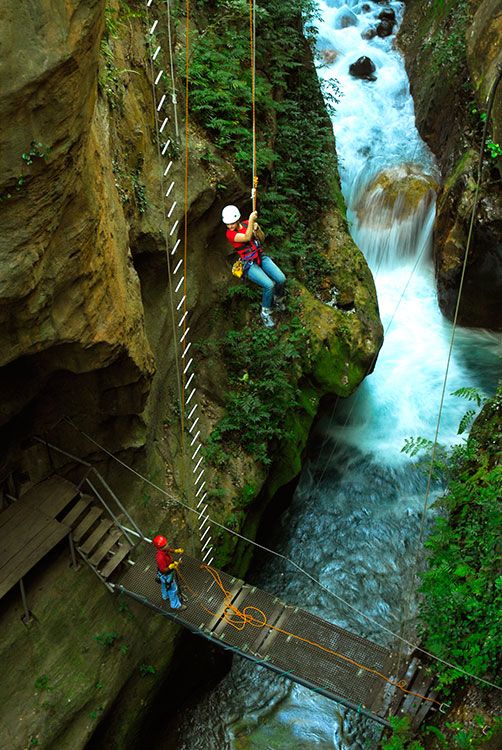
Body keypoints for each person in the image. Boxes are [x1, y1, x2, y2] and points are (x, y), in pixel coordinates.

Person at [222, 205, 286, 328]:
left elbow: (262, 239)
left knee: (281, 279)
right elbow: (246, 237)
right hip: (248, 263)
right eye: (228, 224)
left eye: (232, 223)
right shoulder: (229, 234)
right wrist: (252, 221)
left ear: (237, 219)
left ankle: (278, 298)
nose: (230, 226)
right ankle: (266, 312)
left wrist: (257, 230)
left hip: (260, 256)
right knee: (269, 285)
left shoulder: (247, 224)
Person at [153, 535, 186, 611]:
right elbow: (163, 570)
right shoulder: (160, 557)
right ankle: (175, 605)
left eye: (166, 543)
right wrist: (171, 567)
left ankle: (165, 596)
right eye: (164, 545)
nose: (167, 545)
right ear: (160, 548)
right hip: (166, 574)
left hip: (164, 575)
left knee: (164, 585)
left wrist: (176, 551)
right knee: (172, 589)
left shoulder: (163, 550)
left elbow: (168, 550)